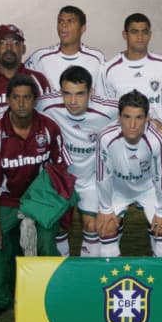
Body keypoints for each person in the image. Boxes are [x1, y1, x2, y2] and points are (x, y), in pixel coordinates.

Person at [0, 75, 70, 319]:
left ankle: (52, 295)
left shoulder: (49, 128)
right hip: (7, 199)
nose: (21, 104)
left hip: (39, 200)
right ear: (8, 100)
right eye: (16, 98)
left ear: (34, 100)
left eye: (26, 98)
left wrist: (53, 209)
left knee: (47, 243)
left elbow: (61, 171)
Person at [36, 66, 118, 256]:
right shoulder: (46, 104)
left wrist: (154, 120)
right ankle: (62, 274)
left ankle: (87, 279)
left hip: (90, 179)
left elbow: (136, 111)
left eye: (80, 94)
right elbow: (18, 107)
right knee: (58, 230)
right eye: (67, 94)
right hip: (60, 179)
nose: (72, 101)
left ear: (91, 92)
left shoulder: (107, 109)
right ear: (60, 92)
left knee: (91, 227)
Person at [95, 90, 162, 257]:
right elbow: (103, 175)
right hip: (118, 189)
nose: (132, 124)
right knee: (105, 229)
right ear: (118, 117)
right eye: (127, 117)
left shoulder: (158, 139)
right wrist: (105, 209)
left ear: (147, 119)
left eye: (138, 118)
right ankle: (112, 279)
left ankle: (160, 280)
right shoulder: (105, 137)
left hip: (148, 189)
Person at [100, 13, 162, 125]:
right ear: (125, 35)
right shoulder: (109, 69)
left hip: (155, 135)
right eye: (134, 32)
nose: (140, 37)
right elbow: (107, 108)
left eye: (144, 32)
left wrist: (159, 121)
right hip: (122, 136)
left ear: (150, 35)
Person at [22, 6, 106, 97]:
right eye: (60, 21)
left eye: (70, 21)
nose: (64, 25)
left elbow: (103, 96)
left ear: (83, 28)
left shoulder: (97, 58)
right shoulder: (40, 58)